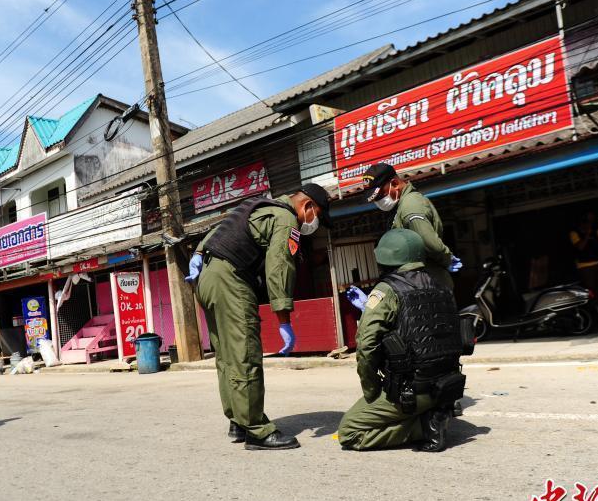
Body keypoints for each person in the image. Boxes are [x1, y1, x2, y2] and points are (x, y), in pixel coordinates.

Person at [186, 183, 332, 450]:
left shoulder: (257, 204)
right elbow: (279, 267)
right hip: (231, 279)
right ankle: (256, 430)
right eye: (318, 216)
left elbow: (217, 230)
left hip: (206, 277)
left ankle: (238, 420)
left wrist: (197, 254)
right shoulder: (287, 218)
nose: (315, 222)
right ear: (308, 206)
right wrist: (284, 319)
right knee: (245, 353)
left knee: (227, 355)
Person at [338, 229, 465, 452]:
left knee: (350, 433)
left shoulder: (387, 290)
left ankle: (424, 426)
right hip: (447, 383)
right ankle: (436, 412)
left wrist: (371, 390)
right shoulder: (442, 285)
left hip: (412, 390)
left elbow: (367, 344)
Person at [362, 163, 460, 290]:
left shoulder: (410, 205)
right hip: (417, 283)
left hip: (427, 283)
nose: (378, 202)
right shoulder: (399, 207)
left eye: (380, 196)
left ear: (395, 184)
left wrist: (447, 259)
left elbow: (429, 242)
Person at [570, 212, 598, 311]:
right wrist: (587, 234)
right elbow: (580, 247)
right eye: (587, 222)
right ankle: (593, 313)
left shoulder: (595, 231)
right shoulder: (574, 233)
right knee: (590, 291)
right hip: (584, 266)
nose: (589, 224)